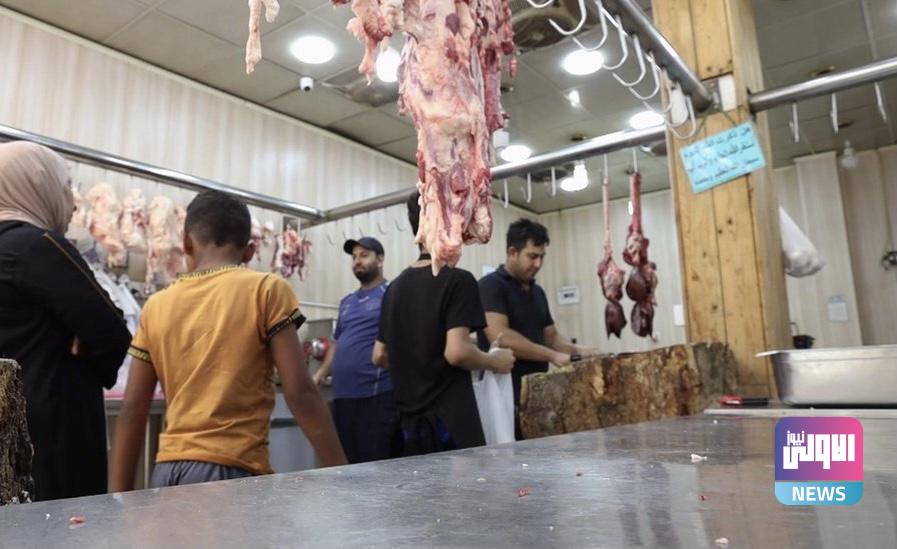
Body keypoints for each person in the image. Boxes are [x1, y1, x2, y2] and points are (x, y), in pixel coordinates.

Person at [111, 191, 346, 491]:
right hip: (231, 470)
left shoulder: (156, 306)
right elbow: (300, 392)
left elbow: (133, 408)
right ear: (249, 252)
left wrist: (118, 498)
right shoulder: (266, 290)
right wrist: (342, 473)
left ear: (186, 243)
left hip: (168, 471)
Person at [0, 141, 132, 500]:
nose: (72, 204)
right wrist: (85, 342)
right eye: (64, 188)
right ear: (37, 186)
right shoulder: (36, 246)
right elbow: (111, 330)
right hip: (52, 431)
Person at [372, 191, 515, 456]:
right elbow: (457, 352)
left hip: (407, 429)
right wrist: (495, 361)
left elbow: (379, 355)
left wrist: (418, 362)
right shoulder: (459, 281)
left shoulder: (394, 288)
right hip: (450, 428)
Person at [477, 218, 600, 439]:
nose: (538, 264)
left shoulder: (537, 292)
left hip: (538, 397)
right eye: (532, 256)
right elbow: (500, 337)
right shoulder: (490, 286)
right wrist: (552, 356)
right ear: (512, 252)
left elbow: (551, 336)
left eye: (542, 257)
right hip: (505, 397)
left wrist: (578, 350)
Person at [312, 236, 400, 463]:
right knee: (348, 466)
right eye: (354, 257)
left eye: (364, 255)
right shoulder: (347, 301)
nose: (357, 261)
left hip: (377, 396)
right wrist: (320, 373)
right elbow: (337, 343)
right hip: (344, 396)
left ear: (380, 260)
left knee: (377, 465)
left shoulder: (391, 293)